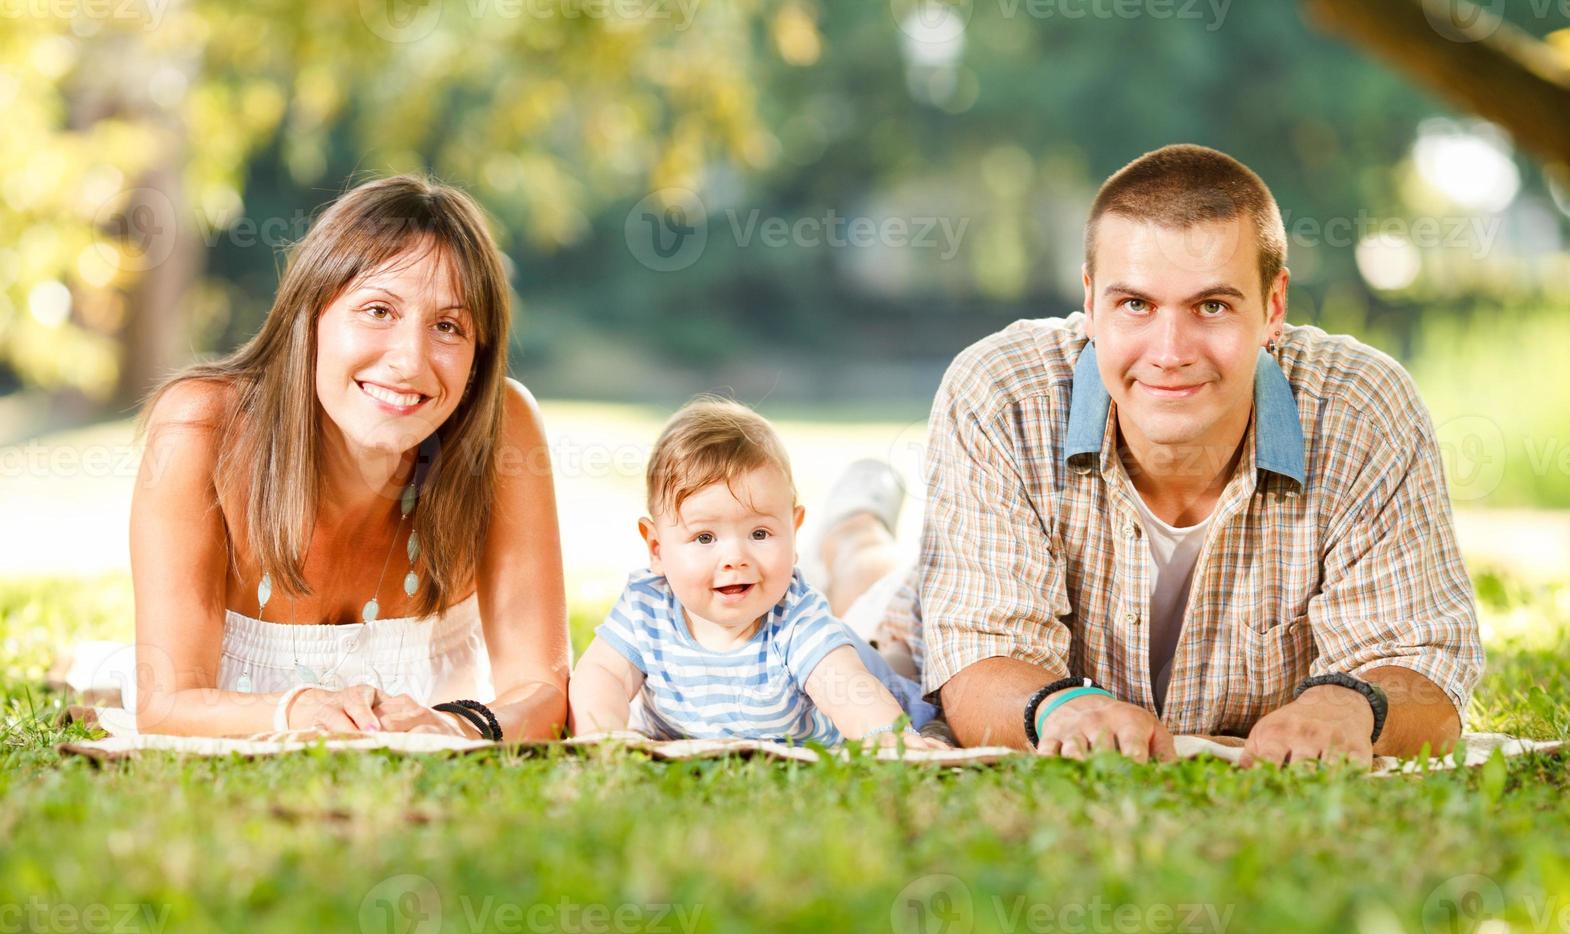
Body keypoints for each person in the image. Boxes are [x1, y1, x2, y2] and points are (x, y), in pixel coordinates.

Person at [818, 144, 1485, 768]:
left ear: (1273, 305)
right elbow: (977, 664)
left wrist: (1352, 708)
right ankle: (854, 521)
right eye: (1135, 303)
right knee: (867, 589)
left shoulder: (1364, 410)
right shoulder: (1002, 395)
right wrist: (1061, 708)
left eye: (1213, 305)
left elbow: (1425, 666)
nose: (1170, 352)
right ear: (1089, 301)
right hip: (914, 622)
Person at [120, 174, 570, 741]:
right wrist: (297, 710)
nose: (410, 361)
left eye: (448, 326)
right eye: (378, 311)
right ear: (309, 316)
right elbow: (164, 706)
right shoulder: (200, 428)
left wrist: (457, 725)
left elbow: (546, 691)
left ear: (478, 357)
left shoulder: (502, 430)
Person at [568, 398, 943, 749]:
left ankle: (895, 637)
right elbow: (603, 675)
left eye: (759, 534)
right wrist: (602, 737)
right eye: (704, 537)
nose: (735, 558)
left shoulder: (794, 617)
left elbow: (847, 687)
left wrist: (887, 739)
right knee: (873, 637)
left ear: (794, 532)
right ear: (657, 549)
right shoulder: (646, 608)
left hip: (877, 681)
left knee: (901, 668)